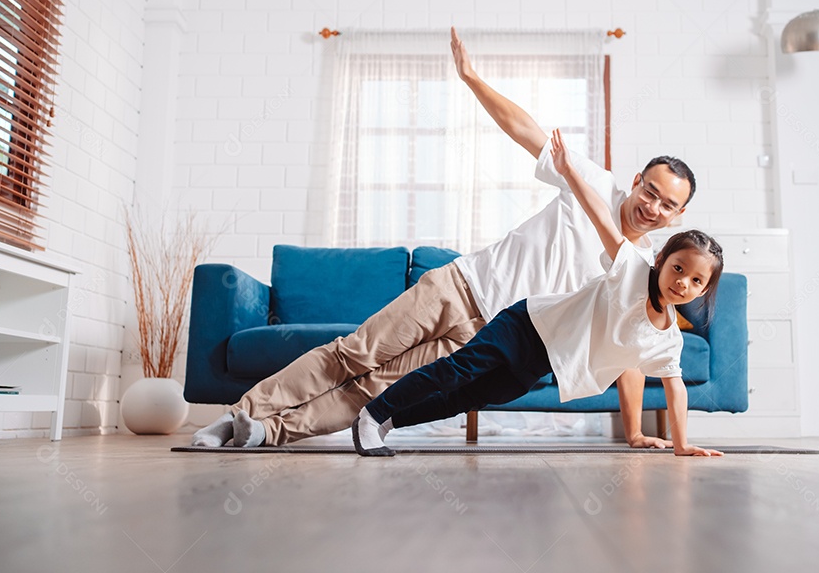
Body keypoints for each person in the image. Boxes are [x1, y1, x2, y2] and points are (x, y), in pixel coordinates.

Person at [191, 28, 698, 449]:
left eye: (666, 204)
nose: (651, 206)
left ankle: (263, 432)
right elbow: (526, 131)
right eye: (649, 190)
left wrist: (632, 432)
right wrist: (472, 78)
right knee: (354, 353)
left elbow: (629, 346)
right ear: (635, 181)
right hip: (459, 285)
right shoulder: (593, 180)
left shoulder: (649, 267)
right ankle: (239, 413)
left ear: (676, 216)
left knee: (375, 389)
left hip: (487, 336)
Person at [352, 129, 725, 457]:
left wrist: (679, 444)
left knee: (471, 397)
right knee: (458, 369)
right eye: (678, 269)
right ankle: (372, 414)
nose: (682, 283)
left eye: (695, 281)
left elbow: (672, 387)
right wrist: (570, 173)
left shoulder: (668, 340)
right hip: (527, 324)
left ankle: (390, 421)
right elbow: (597, 211)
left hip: (548, 357)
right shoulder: (631, 265)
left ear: (704, 290)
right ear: (660, 259)